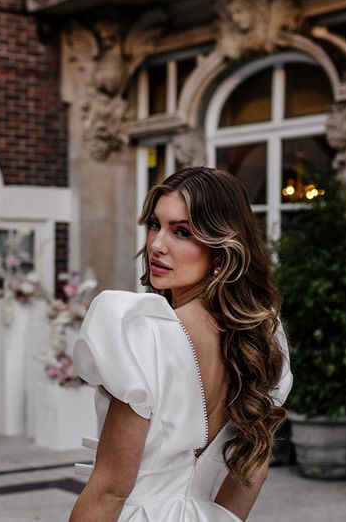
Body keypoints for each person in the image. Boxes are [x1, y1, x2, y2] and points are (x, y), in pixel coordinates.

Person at [70, 167, 292, 521]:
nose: (156, 245)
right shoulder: (262, 337)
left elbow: (110, 489)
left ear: (222, 248)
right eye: (155, 225)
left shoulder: (145, 334)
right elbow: (253, 472)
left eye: (182, 232)